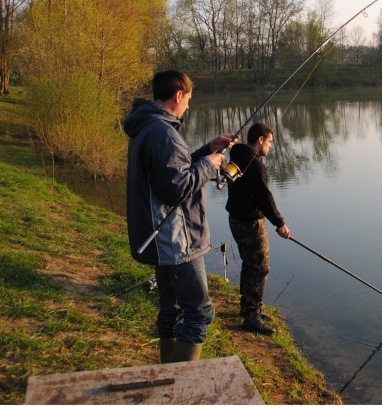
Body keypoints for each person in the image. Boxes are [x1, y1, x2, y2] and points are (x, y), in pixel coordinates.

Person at [124, 70, 237, 363]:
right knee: (199, 314)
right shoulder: (163, 133)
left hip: (162, 238)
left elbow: (171, 170)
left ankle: (168, 377)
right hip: (176, 241)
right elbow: (177, 188)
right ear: (178, 96)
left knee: (171, 310)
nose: (188, 105)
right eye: (188, 99)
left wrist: (207, 151)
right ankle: (179, 389)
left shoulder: (149, 127)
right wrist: (211, 165)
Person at [225, 122, 291, 335]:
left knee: (250, 264)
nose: (270, 147)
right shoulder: (254, 164)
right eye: (269, 142)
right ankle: (251, 316)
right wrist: (279, 223)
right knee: (259, 267)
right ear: (260, 140)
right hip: (249, 223)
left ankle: (249, 308)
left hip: (236, 220)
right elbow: (264, 197)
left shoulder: (238, 157)